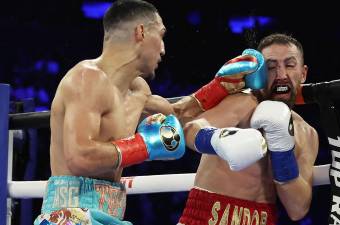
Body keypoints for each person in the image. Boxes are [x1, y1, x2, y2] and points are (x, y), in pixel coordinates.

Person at [33, 0, 267, 224]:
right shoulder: (87, 78)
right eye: (161, 35)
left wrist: (220, 86)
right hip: (69, 216)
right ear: (141, 32)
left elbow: (179, 115)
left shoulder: (138, 90)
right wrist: (144, 146)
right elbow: (80, 158)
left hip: (111, 215)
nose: (164, 49)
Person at [179, 33, 319, 225]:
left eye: (289, 65)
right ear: (260, 75)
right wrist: (219, 139)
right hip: (209, 216)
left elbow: (298, 209)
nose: (281, 75)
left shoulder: (307, 133)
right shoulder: (244, 103)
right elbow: (191, 129)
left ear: (303, 74)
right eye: (271, 67)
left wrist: (282, 152)